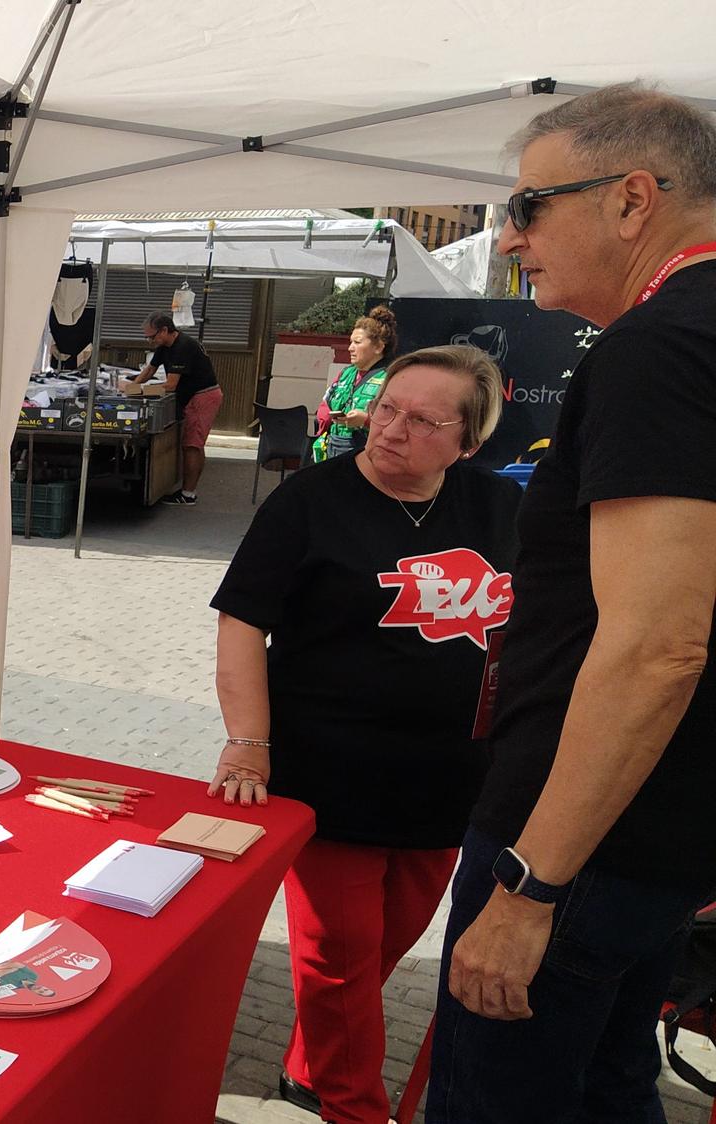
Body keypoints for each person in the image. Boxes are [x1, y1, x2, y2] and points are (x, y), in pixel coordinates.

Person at [431, 83, 716, 1123]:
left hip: (582, 838)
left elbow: (655, 647)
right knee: (605, 1087)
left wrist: (531, 886)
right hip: (651, 831)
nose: (509, 238)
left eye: (528, 206)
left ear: (632, 198)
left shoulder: (661, 346)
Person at [210, 346, 519, 1124]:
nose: (389, 430)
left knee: (381, 950)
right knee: (338, 962)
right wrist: (248, 740)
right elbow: (244, 620)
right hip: (330, 780)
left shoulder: (499, 508)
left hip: (449, 784)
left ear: (469, 442)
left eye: (422, 421)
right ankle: (355, 1108)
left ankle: (309, 1067)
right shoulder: (310, 501)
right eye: (385, 408)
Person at [130, 311, 222, 504]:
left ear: (164, 330)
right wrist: (132, 387)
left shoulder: (183, 346)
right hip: (191, 395)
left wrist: (141, 391)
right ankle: (187, 488)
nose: (149, 341)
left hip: (202, 397)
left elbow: (170, 384)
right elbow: (150, 369)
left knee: (192, 445)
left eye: (152, 336)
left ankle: (188, 494)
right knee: (190, 443)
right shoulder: (164, 346)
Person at [312, 305, 396, 463]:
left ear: (378, 347)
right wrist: (327, 415)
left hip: (366, 453)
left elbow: (396, 421)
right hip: (332, 447)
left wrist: (366, 420)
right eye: (351, 342)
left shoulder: (390, 378)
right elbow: (326, 401)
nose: (350, 348)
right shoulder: (346, 373)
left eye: (357, 342)